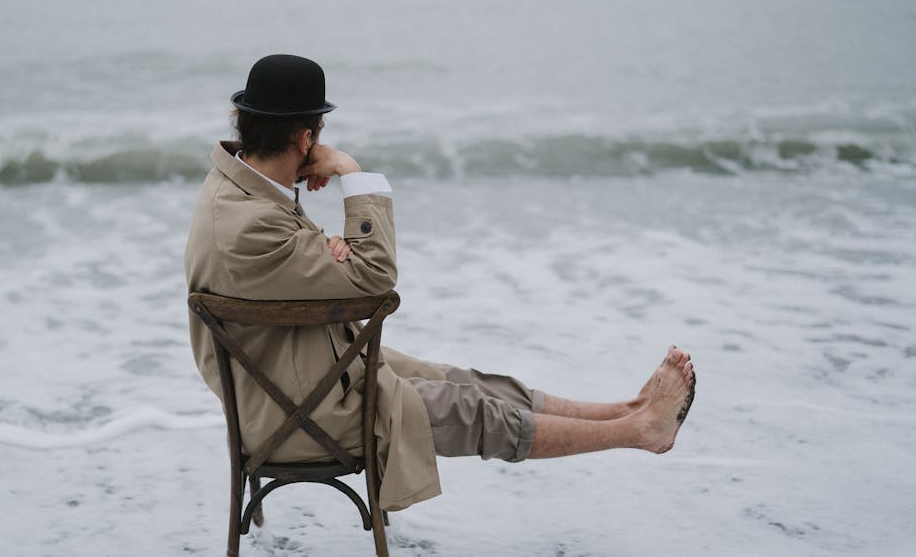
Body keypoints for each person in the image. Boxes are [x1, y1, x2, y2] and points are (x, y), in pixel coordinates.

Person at [184, 54, 696, 512]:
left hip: (300, 374)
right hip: (298, 415)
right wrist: (351, 174)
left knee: (466, 382)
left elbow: (339, 271)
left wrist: (334, 256)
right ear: (305, 138)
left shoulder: (236, 188)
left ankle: (626, 410)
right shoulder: (251, 224)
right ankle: (639, 432)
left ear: (244, 123)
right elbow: (375, 279)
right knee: (473, 411)